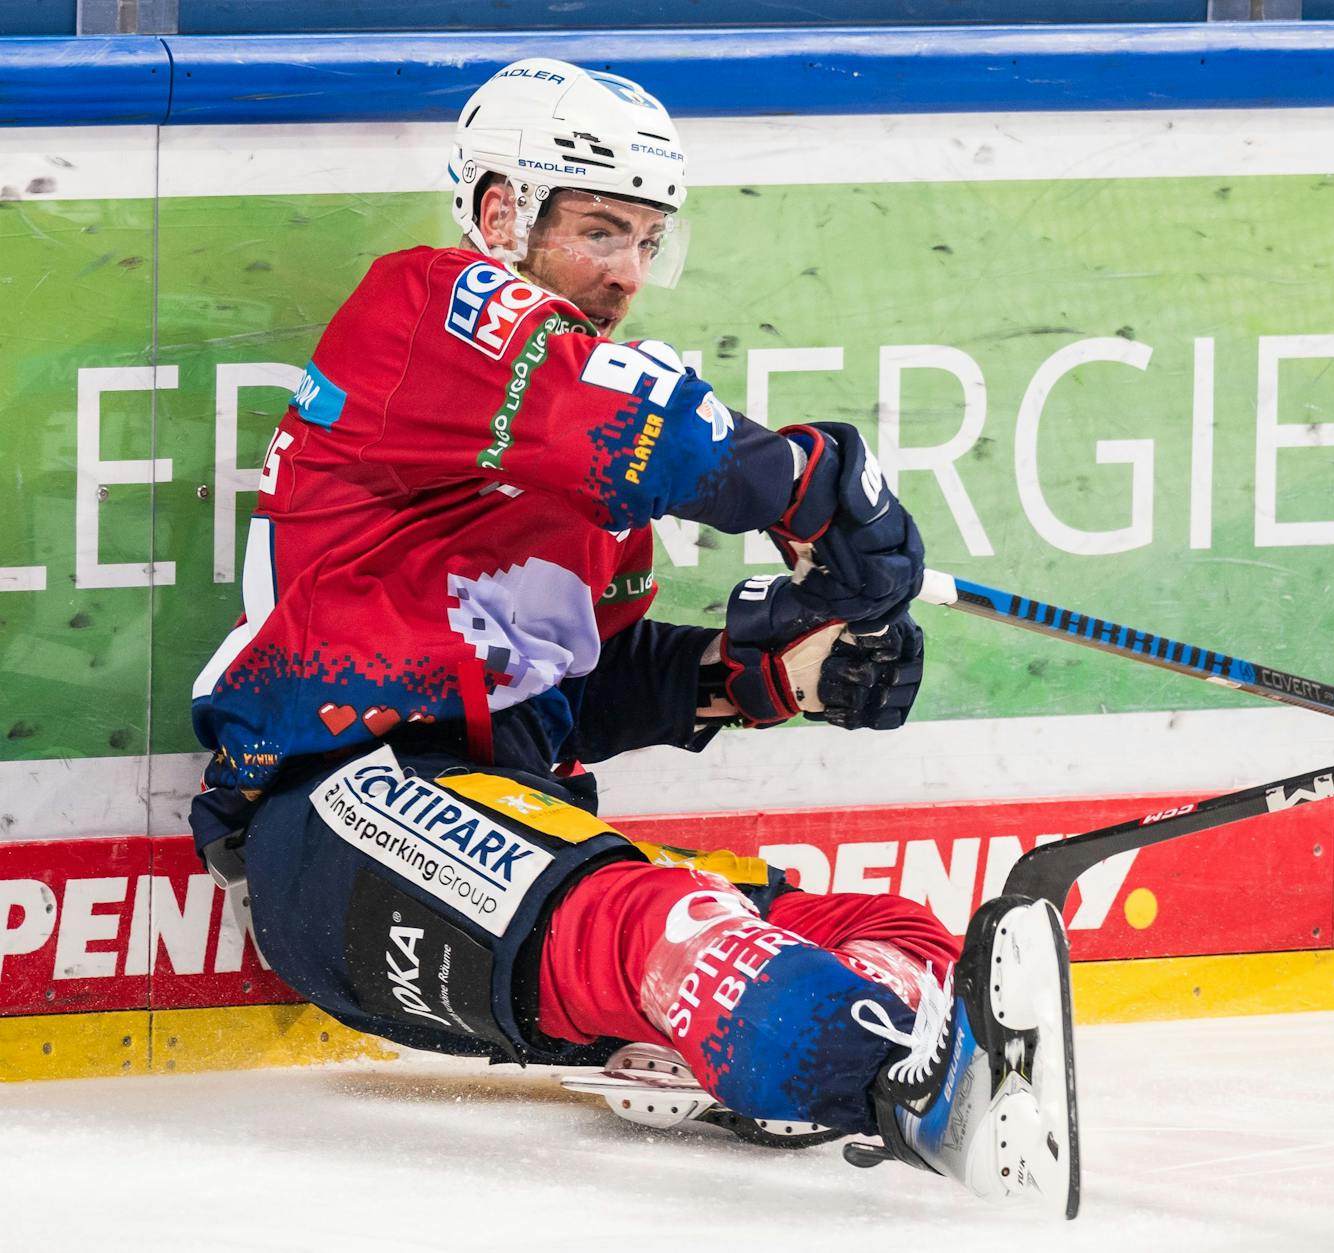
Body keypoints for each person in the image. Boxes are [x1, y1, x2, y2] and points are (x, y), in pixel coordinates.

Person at [187, 58, 1078, 1216]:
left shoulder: (591, 517)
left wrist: (771, 671)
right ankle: (915, 1098)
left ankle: (761, 1049)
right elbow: (639, 426)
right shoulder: (429, 309)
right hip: (339, 811)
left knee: (888, 928)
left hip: (505, 821)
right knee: (676, 927)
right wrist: (820, 490)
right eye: (601, 229)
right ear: (503, 210)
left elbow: (573, 691)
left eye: (649, 241)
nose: (625, 273)